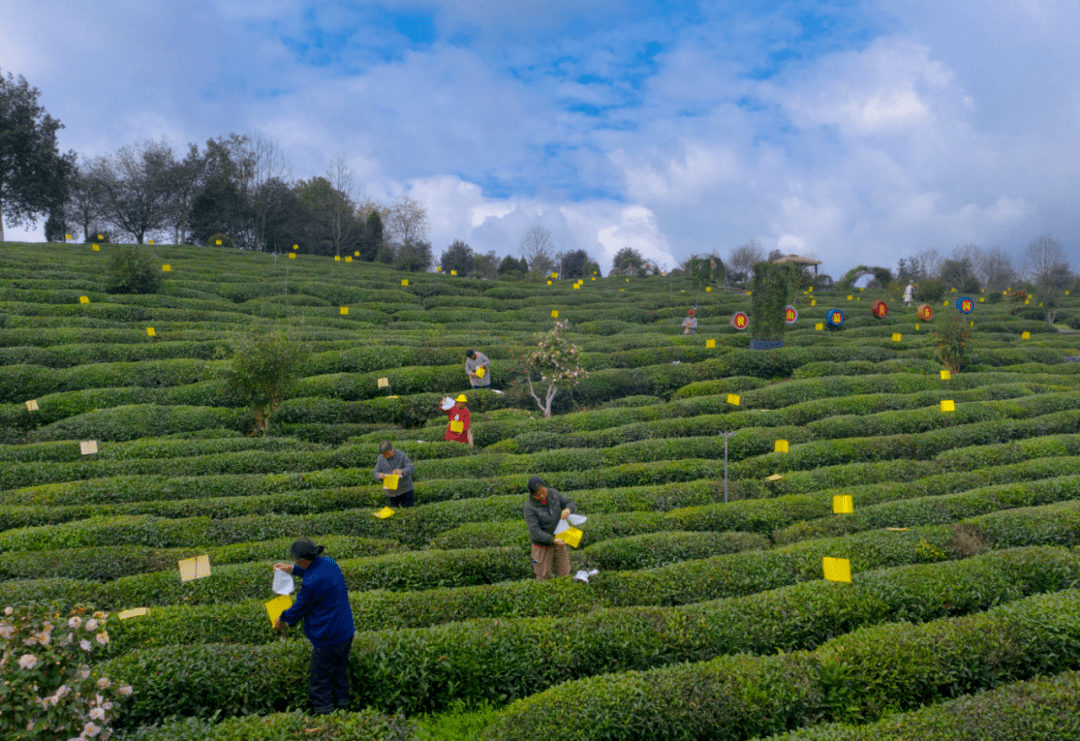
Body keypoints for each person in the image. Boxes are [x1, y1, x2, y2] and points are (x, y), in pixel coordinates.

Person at [273, 538, 355, 715]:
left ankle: (326, 721)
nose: (293, 561)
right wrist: (291, 569)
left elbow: (300, 608)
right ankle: (344, 713)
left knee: (319, 684)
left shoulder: (311, 584)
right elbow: (316, 573)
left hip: (328, 637)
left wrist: (282, 618)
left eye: (294, 560)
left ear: (303, 560)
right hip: (346, 630)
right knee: (339, 675)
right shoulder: (329, 562)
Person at [523, 476, 576, 580]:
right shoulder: (529, 507)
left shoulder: (553, 494)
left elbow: (569, 502)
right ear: (532, 494)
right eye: (538, 495)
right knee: (543, 576)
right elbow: (535, 531)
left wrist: (568, 509)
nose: (542, 496)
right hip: (542, 547)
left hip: (559, 541)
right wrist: (552, 540)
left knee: (564, 574)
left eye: (543, 491)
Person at [372, 441, 416, 508]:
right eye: (384, 454)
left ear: (392, 448)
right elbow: (375, 472)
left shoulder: (402, 455)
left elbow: (411, 468)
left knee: (408, 512)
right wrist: (379, 475)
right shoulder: (380, 458)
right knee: (392, 513)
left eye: (387, 453)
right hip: (391, 493)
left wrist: (401, 471)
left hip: (405, 490)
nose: (386, 456)